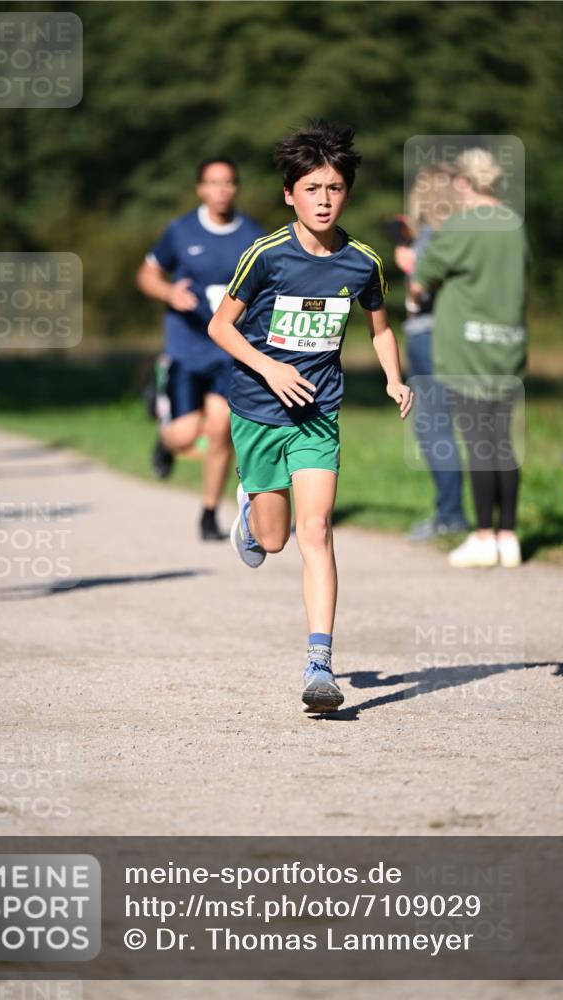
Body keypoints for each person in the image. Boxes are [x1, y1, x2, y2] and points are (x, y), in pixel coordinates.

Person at [208, 121, 413, 712]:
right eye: (312, 188)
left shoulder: (363, 262)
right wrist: (270, 369)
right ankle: (248, 512)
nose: (324, 199)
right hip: (257, 409)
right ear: (290, 194)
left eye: (335, 188)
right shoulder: (266, 256)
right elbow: (220, 326)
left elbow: (379, 328)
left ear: (347, 192)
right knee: (273, 540)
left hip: (319, 412)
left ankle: (319, 663)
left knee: (316, 531)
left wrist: (395, 377)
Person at [411, 148, 528, 568]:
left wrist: (413, 295)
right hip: (508, 346)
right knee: (503, 444)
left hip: (466, 350)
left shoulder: (461, 226)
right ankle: (509, 535)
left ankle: (482, 536)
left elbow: (424, 278)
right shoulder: (514, 224)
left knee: (478, 443)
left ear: (463, 182)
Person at [136, 158, 263, 540]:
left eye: (228, 183)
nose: (221, 190)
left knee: (222, 429)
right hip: (187, 348)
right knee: (185, 434)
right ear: (200, 189)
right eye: (213, 183)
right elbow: (147, 275)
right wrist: (169, 292)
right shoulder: (181, 231)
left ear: (236, 188)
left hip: (229, 350)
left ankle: (209, 513)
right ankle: (164, 438)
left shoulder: (253, 237)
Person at [393, 164, 468, 541]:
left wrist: (411, 269)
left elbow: (426, 287)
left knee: (434, 426)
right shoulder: (464, 232)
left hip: (428, 334)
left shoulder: (435, 235)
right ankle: (460, 513)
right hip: (456, 337)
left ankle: (450, 514)